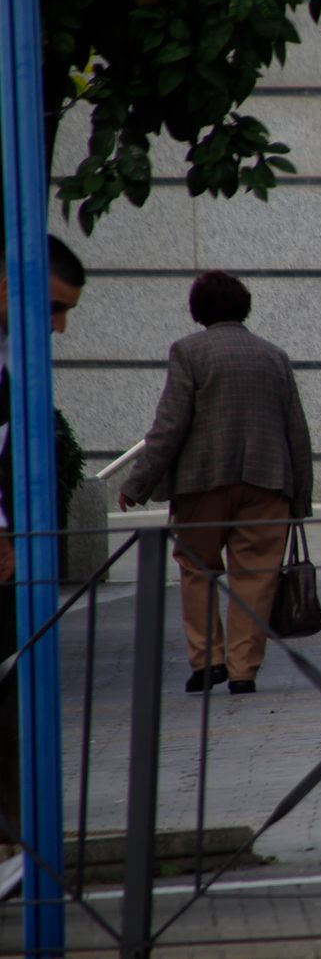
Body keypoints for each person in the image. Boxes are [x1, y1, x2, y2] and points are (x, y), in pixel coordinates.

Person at [118, 271, 314, 696]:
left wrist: (137, 483)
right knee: (256, 576)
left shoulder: (188, 352)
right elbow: (296, 431)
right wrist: (300, 497)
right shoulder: (273, 356)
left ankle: (208, 663)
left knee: (197, 568)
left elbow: (169, 426)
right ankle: (244, 671)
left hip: (202, 480)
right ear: (244, 306)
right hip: (268, 481)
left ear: (197, 310)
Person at [1, 235, 86, 842]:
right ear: (8, 288)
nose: (58, 328)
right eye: (54, 308)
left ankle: (20, 836)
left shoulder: (14, 359)